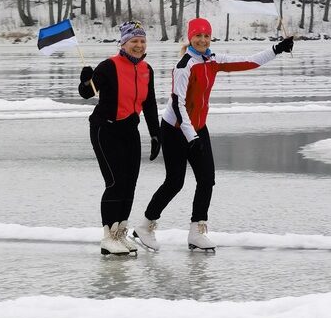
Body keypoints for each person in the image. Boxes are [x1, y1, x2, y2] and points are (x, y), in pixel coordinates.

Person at [133, 17, 293, 252]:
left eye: (206, 36)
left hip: (198, 127)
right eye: (198, 36)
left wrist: (277, 49)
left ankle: (196, 232)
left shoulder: (213, 60)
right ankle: (145, 227)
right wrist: (192, 137)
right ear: (190, 38)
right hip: (175, 128)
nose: (202, 40)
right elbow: (180, 106)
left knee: (207, 180)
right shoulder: (184, 66)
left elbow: (249, 61)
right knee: (174, 182)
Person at [78, 21, 160, 256]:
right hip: (106, 130)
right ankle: (108, 237)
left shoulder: (146, 70)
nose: (139, 45)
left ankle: (120, 232)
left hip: (129, 131)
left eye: (142, 41)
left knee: (130, 185)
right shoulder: (108, 66)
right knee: (115, 183)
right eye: (134, 40)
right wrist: (86, 80)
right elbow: (86, 93)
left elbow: (150, 104)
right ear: (123, 43)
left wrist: (155, 134)